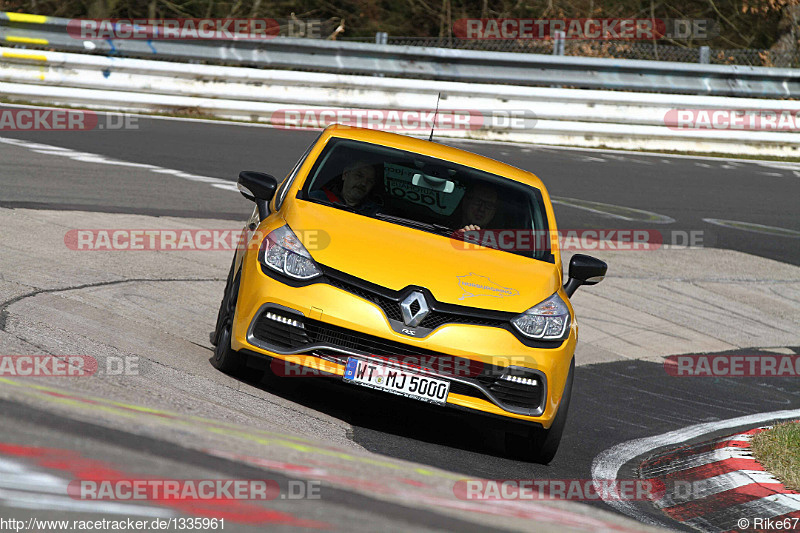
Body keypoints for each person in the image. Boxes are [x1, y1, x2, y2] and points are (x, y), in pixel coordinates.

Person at [310, 160, 380, 215]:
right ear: (345, 174)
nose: (364, 183)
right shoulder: (317, 199)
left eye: (370, 181)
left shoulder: (376, 213)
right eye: (359, 176)